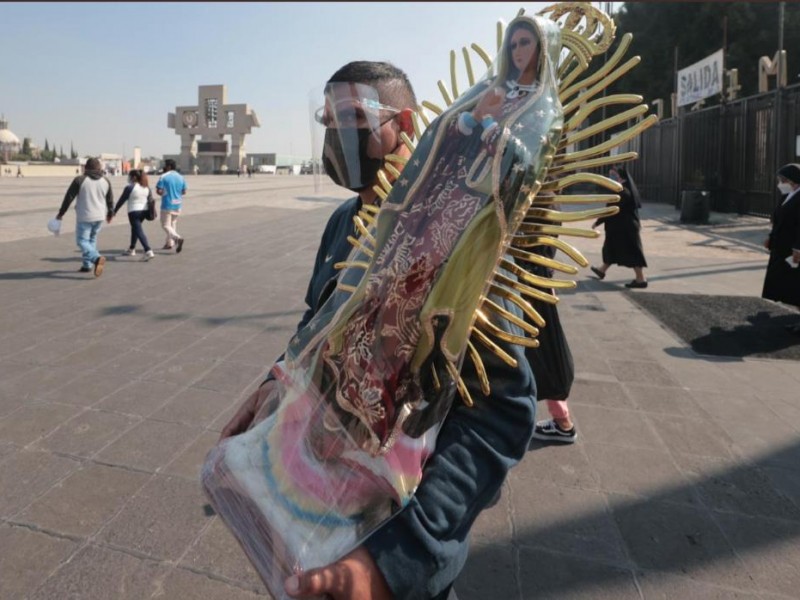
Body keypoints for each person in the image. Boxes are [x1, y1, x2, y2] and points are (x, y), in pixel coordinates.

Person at [217, 50, 545, 599]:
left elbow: (502, 414)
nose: (336, 138)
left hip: (391, 541)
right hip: (309, 512)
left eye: (353, 121)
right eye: (328, 123)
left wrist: (393, 564)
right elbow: (315, 327)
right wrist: (275, 382)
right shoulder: (342, 222)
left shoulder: (461, 228)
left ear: (405, 126)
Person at [590, 166, 649, 288]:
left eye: (613, 175)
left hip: (625, 229)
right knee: (611, 248)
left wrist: (597, 222)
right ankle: (602, 270)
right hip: (618, 228)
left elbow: (610, 210)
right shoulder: (621, 190)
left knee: (632, 252)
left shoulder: (624, 192)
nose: (610, 177)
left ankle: (641, 279)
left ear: (620, 176)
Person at [55, 157, 113, 277]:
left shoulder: (80, 180)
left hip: (85, 216)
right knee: (91, 239)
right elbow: (110, 199)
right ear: (99, 168)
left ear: (86, 168)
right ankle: (87, 265)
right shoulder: (106, 181)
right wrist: (110, 213)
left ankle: (96, 258)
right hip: (100, 216)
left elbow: (69, 197)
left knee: (82, 241)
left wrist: (61, 213)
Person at [762, 163, 800, 335]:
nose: (780, 183)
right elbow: (778, 220)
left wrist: (798, 248)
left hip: (793, 250)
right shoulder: (787, 196)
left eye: (782, 180)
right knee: (787, 282)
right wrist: (771, 236)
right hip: (781, 246)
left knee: (795, 283)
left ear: (793, 180)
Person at [113, 169, 155, 260]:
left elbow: (121, 200)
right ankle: (132, 248)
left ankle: (148, 250)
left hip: (134, 212)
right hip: (144, 211)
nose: (129, 178)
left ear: (134, 177)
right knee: (135, 229)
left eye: (130, 176)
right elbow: (150, 200)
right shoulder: (146, 187)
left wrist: (114, 211)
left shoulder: (130, 187)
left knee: (139, 231)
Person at [155, 158, 187, 252]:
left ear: (168, 166)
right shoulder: (181, 177)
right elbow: (184, 191)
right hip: (178, 204)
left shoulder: (164, 176)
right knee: (172, 225)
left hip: (167, 204)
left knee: (165, 225)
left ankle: (177, 238)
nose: (164, 167)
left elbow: (159, 190)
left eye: (165, 165)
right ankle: (169, 243)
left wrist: (162, 193)